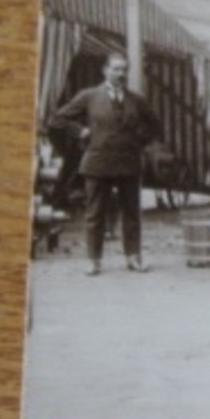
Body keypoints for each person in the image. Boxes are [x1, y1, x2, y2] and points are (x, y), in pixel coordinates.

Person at [50, 53, 162, 275]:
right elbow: (58, 119)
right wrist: (81, 131)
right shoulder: (89, 96)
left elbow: (155, 124)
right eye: (115, 69)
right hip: (98, 163)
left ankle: (133, 258)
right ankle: (94, 260)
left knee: (132, 213)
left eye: (124, 70)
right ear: (105, 70)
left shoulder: (136, 100)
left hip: (128, 163)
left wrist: (138, 141)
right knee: (95, 213)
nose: (120, 74)